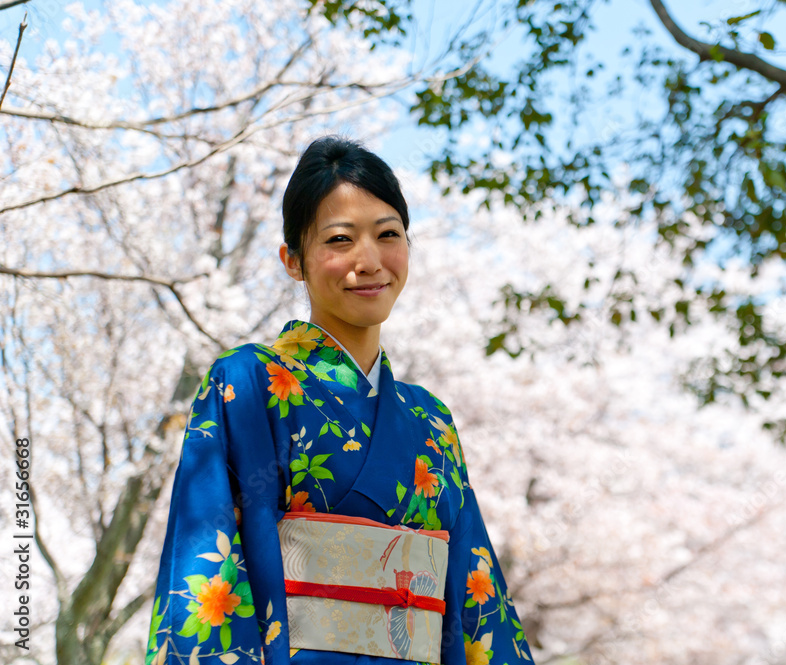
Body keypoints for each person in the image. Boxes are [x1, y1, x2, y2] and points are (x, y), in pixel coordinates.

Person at [145, 137, 534, 665]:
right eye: (340, 239)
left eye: (388, 234)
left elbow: (474, 600)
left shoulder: (431, 419)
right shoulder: (246, 383)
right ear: (293, 260)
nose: (369, 261)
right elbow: (206, 571)